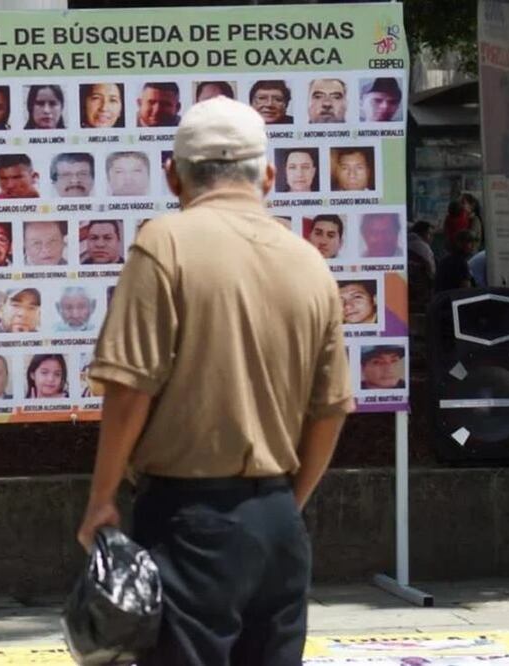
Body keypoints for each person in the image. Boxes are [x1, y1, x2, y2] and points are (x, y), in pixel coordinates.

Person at [76, 97, 352, 665]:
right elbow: (330, 410)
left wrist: (102, 498)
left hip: (191, 521)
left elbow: (130, 387)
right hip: (278, 524)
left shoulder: (165, 243)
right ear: (269, 175)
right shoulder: (309, 261)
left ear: (173, 172)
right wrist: (285, 505)